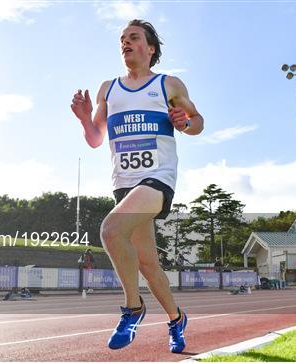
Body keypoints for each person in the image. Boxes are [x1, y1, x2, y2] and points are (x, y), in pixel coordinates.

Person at [71, 19, 204, 353]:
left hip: (158, 179)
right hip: (124, 184)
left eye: (133, 38)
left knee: (110, 231)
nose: (126, 43)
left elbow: (197, 122)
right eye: (122, 39)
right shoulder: (108, 89)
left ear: (151, 48)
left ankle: (133, 308)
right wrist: (86, 119)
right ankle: (176, 319)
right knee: (147, 263)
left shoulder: (167, 85)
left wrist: (184, 123)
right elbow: (95, 139)